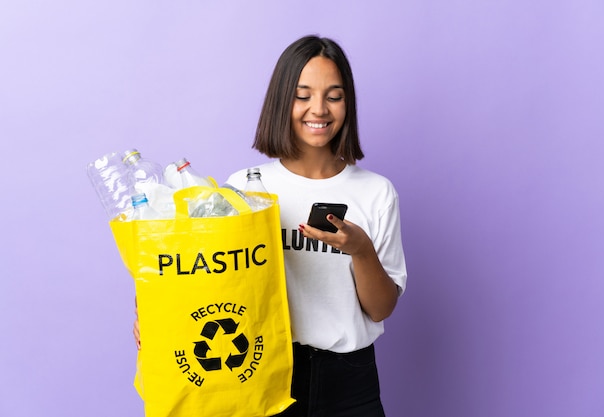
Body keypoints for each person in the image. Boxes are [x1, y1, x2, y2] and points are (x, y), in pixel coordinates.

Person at [134, 35, 407, 417]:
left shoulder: (376, 192)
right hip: (262, 369)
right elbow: (205, 279)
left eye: (334, 95)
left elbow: (380, 309)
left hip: (350, 380)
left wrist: (360, 250)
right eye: (303, 94)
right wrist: (153, 315)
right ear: (282, 100)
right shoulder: (245, 187)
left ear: (348, 103)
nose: (319, 108)